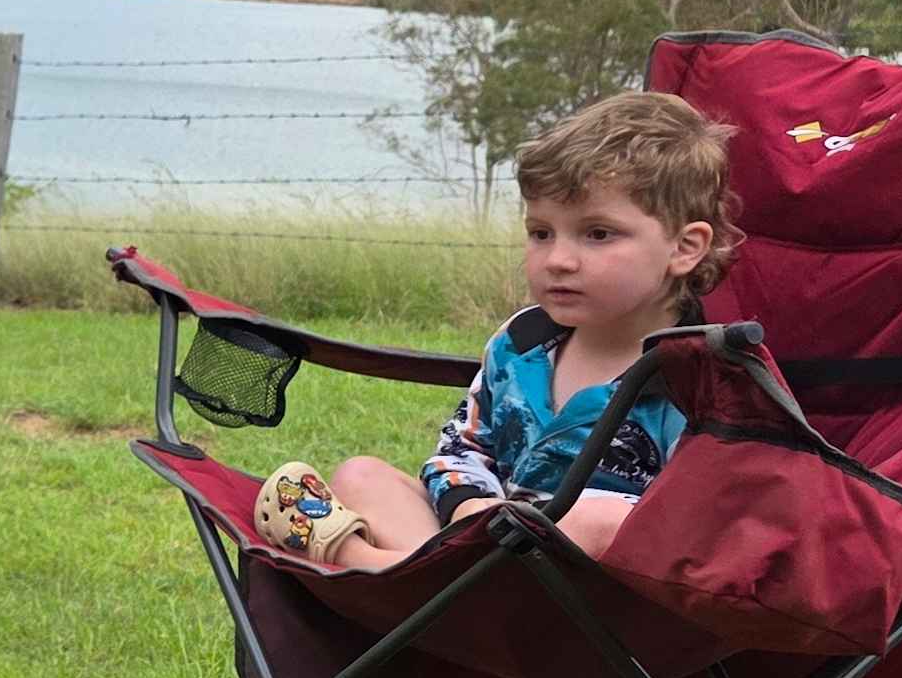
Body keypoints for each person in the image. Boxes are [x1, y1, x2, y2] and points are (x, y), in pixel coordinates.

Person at [254, 91, 735, 569]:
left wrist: (527, 532)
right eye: (541, 232)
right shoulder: (521, 341)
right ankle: (430, 576)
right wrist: (471, 509)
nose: (558, 260)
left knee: (599, 519)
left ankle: (370, 563)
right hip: (479, 546)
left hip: (590, 597)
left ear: (685, 248)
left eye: (598, 234)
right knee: (361, 474)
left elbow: (698, 526)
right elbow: (461, 450)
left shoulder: (699, 377)